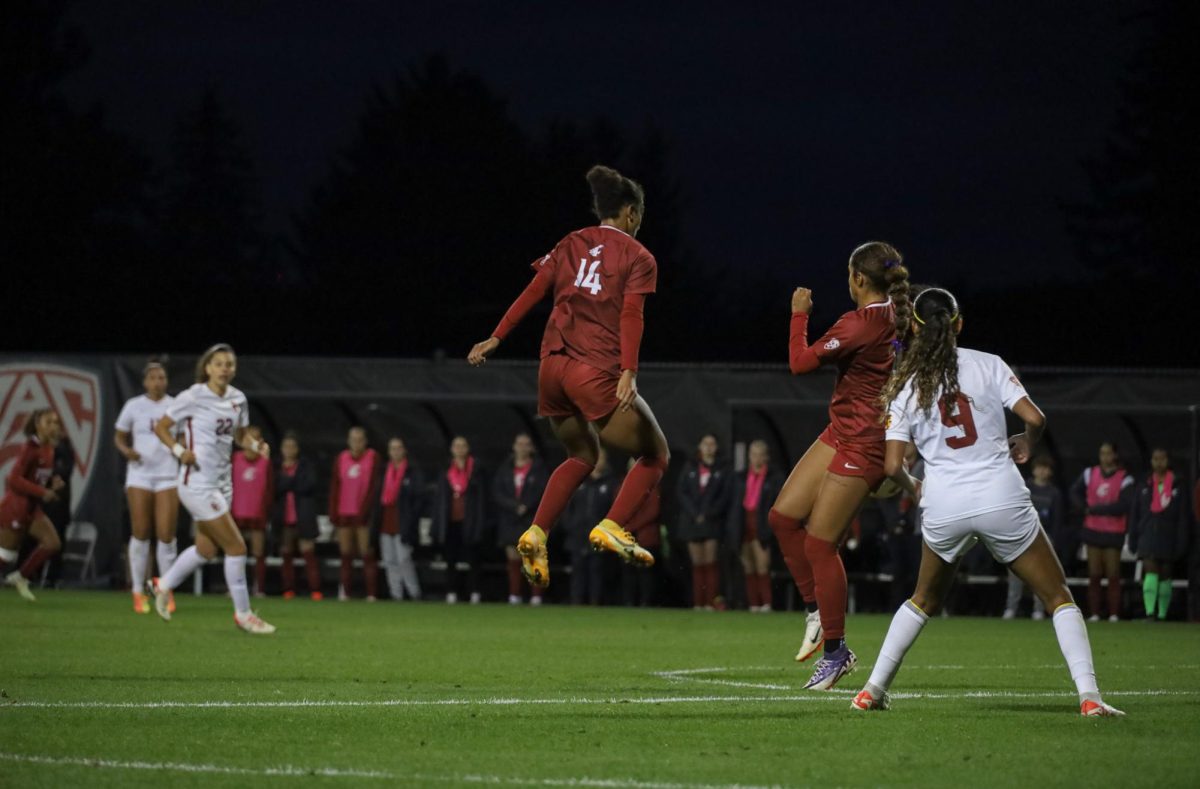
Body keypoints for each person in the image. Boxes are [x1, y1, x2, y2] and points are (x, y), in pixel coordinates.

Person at [851, 287, 1122, 717]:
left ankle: (871, 691)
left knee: (922, 599)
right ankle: (1090, 697)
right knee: (1058, 597)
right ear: (959, 324)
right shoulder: (989, 364)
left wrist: (913, 486)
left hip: (944, 503)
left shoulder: (905, 385)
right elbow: (1035, 418)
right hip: (1001, 495)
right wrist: (1026, 442)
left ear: (916, 330)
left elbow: (891, 466)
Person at [467, 164, 669, 590]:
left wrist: (496, 337)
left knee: (581, 456)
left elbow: (534, 292)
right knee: (656, 455)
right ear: (630, 213)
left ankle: (537, 533)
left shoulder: (571, 242)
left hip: (550, 368)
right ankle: (612, 524)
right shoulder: (639, 256)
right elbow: (632, 314)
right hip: (592, 369)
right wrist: (628, 371)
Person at [765, 242, 911, 688]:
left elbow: (799, 363)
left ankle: (836, 650)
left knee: (819, 545)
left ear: (859, 280)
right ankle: (816, 610)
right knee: (783, 518)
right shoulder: (897, 317)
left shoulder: (858, 324)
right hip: (842, 431)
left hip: (863, 443)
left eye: (849, 275)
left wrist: (798, 314)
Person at [148, 343, 275, 633]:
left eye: (229, 364)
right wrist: (180, 451)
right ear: (207, 368)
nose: (224, 369)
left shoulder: (238, 399)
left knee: (206, 549)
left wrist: (257, 445)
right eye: (218, 364)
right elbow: (161, 427)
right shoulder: (193, 396)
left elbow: (240, 436)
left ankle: (162, 584)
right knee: (236, 546)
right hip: (197, 483)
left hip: (222, 482)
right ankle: (243, 614)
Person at [114, 361, 179, 613]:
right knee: (140, 531)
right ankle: (138, 591)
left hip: (168, 475)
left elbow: (184, 436)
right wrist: (127, 451)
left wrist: (180, 450)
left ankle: (166, 589)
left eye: (161, 377)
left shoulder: (175, 405)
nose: (157, 382)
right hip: (140, 475)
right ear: (144, 382)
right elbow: (119, 436)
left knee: (166, 534)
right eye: (152, 378)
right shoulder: (134, 406)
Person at [0, 410, 65, 601]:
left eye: (55, 422)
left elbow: (36, 478)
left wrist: (52, 483)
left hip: (31, 509)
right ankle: (18, 576)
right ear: (37, 424)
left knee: (52, 543)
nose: (53, 426)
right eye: (49, 422)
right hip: (16, 507)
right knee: (6, 555)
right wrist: (43, 492)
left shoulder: (49, 448)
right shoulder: (30, 447)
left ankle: (19, 577)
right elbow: (14, 480)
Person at [1070, 441, 1135, 622]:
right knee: (1094, 574)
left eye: (1108, 453)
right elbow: (1074, 492)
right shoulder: (1090, 473)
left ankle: (1114, 613)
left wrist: (1095, 509)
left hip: (1113, 531)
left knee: (1113, 574)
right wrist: (1083, 508)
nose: (1105, 457)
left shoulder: (1125, 478)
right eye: (1102, 453)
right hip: (1092, 529)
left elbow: (1123, 504)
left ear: (1115, 455)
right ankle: (1095, 613)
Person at [1129, 448, 1190, 621]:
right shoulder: (1145, 484)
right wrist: (1133, 536)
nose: (1158, 462)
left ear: (1168, 461)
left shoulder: (1178, 484)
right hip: (1147, 534)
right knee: (1150, 571)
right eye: (1155, 459)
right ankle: (1149, 612)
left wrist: (1182, 541)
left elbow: (1183, 517)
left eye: (1162, 459)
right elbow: (1135, 513)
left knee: (1165, 574)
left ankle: (1162, 614)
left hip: (1168, 535)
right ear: (1151, 461)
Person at [1003, 455, 1064, 620]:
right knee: (1015, 575)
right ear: (1034, 469)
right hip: (1020, 535)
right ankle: (1011, 608)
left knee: (1041, 576)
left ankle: (1038, 609)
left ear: (1050, 472)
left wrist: (1053, 541)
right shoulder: (1024, 487)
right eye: (1039, 467)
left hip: (1043, 537)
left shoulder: (1054, 493)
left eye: (1046, 468)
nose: (1042, 471)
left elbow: (1057, 520)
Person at [727, 440, 784, 612]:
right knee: (748, 566)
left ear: (766, 457)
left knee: (762, 565)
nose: (756, 458)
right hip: (743, 524)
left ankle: (766, 603)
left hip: (761, 524)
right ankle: (753, 604)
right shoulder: (740, 476)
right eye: (753, 454)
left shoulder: (774, 477)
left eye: (760, 454)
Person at [676, 434, 732, 610]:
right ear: (700, 446)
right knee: (697, 563)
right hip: (692, 521)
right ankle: (698, 602)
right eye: (705, 443)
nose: (708, 447)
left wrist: (708, 513)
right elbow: (682, 492)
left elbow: (724, 495)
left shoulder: (722, 469)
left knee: (710, 562)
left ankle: (710, 602)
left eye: (712, 444)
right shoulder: (690, 467)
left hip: (711, 521)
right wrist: (694, 513)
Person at [493, 433, 548, 605]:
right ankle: (514, 595)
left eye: (526, 444)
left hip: (531, 518)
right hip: (510, 518)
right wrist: (513, 506)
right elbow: (497, 492)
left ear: (531, 448)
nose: (522, 447)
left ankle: (536, 596)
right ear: (514, 446)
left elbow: (543, 491)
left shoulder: (539, 469)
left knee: (533, 556)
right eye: (519, 444)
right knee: (513, 558)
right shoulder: (505, 468)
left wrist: (526, 505)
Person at [328, 426, 381, 601]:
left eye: (360, 439)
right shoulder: (341, 458)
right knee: (345, 554)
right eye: (353, 439)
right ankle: (345, 591)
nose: (356, 443)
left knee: (367, 553)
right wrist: (333, 512)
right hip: (345, 512)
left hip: (363, 515)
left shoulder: (372, 457)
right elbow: (335, 486)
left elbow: (374, 486)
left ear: (365, 441)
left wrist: (366, 510)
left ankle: (371, 593)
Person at [433, 436, 488, 604]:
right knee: (450, 559)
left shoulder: (476, 470)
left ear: (468, 448)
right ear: (451, 449)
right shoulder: (446, 470)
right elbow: (440, 498)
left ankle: (475, 592)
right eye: (456, 446)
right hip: (451, 521)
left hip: (470, 520)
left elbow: (482, 498)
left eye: (463, 445)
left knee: (473, 559)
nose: (459, 449)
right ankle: (451, 591)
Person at [562, 449, 617, 606]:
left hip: (599, 535)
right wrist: (570, 525)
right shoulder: (578, 481)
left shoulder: (610, 483)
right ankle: (576, 601)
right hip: (577, 533)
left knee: (597, 570)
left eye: (602, 459)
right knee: (577, 570)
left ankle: (595, 602)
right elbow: (567, 505)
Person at [274, 432, 322, 600]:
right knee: (286, 552)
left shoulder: (305, 466)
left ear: (298, 449)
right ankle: (288, 589)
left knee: (308, 551)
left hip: (303, 516)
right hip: (284, 517)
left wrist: (288, 483)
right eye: (286, 446)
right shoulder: (276, 466)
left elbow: (308, 485)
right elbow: (274, 487)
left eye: (292, 446)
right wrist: (291, 482)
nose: (289, 450)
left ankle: (315, 590)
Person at [376, 436, 424, 601]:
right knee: (389, 560)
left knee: (404, 559)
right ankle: (395, 594)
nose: (395, 451)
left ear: (404, 451)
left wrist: (411, 518)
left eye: (398, 448)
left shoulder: (412, 471)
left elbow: (418, 498)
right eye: (392, 448)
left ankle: (414, 592)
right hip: (386, 520)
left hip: (403, 522)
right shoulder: (384, 471)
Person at [231, 425, 273, 597]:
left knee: (258, 551)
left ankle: (259, 588)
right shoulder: (235, 459)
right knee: (235, 551)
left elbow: (269, 489)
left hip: (257, 512)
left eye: (257, 437)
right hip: (236, 512)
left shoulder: (265, 462)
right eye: (250, 437)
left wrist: (266, 511)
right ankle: (233, 587)